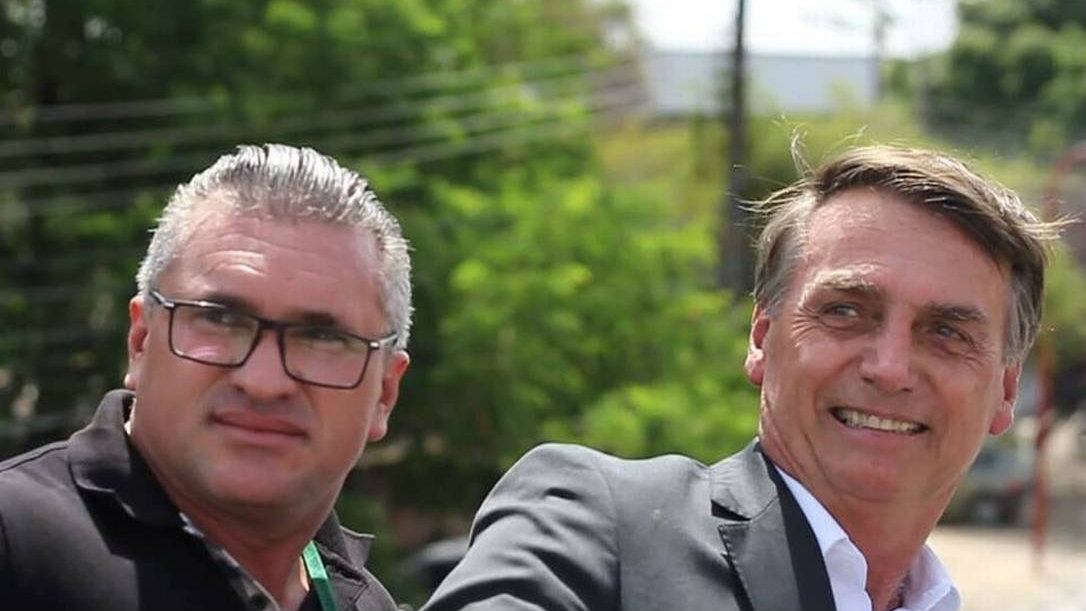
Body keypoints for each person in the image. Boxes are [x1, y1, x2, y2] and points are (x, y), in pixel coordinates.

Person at [423, 145, 1058, 611]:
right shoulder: (598, 527)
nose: (889, 369)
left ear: (1005, 390)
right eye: (846, 312)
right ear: (761, 338)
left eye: (946, 332)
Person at [0, 144, 412, 611]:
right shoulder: (16, 550)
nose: (263, 382)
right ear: (141, 341)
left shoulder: (362, 602)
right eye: (220, 319)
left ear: (384, 393)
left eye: (321, 338)